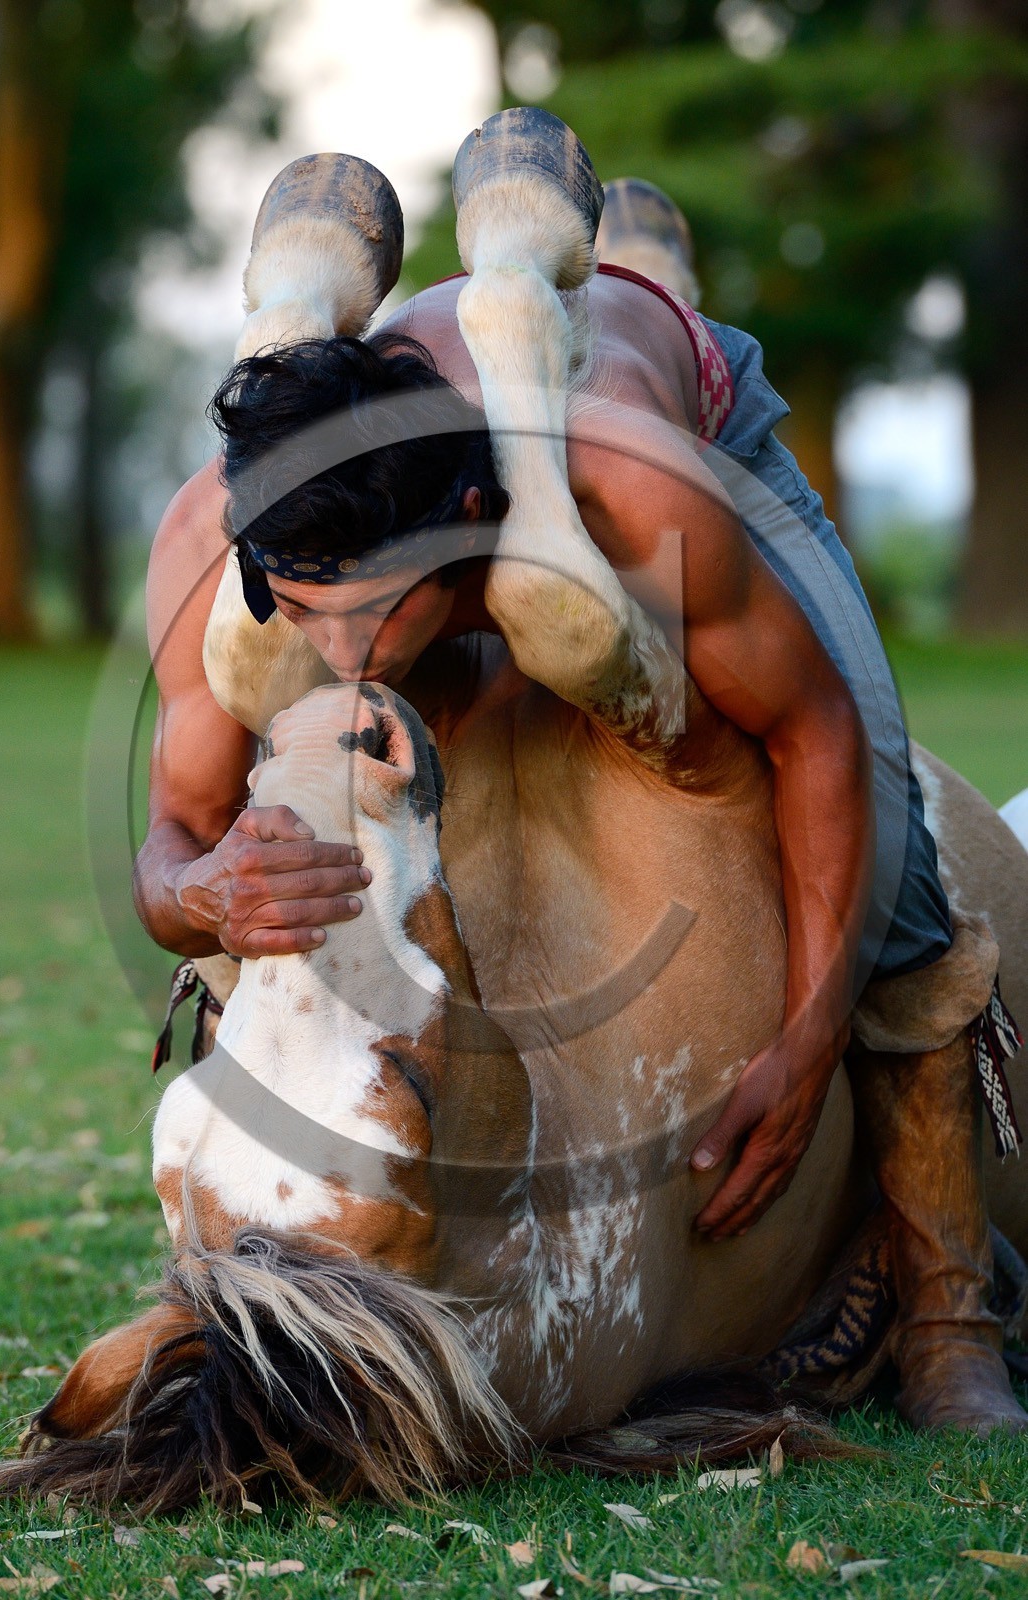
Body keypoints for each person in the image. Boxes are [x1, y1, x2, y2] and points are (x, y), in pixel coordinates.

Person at [136, 167, 1024, 1435]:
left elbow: (814, 735)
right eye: (302, 612)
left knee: (896, 856)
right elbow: (169, 840)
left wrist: (811, 1032)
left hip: (665, 414)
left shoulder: (639, 490)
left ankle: (950, 1318)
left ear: (468, 529)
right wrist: (201, 890)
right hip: (462, 479)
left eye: (377, 614)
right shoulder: (215, 550)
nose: (340, 657)